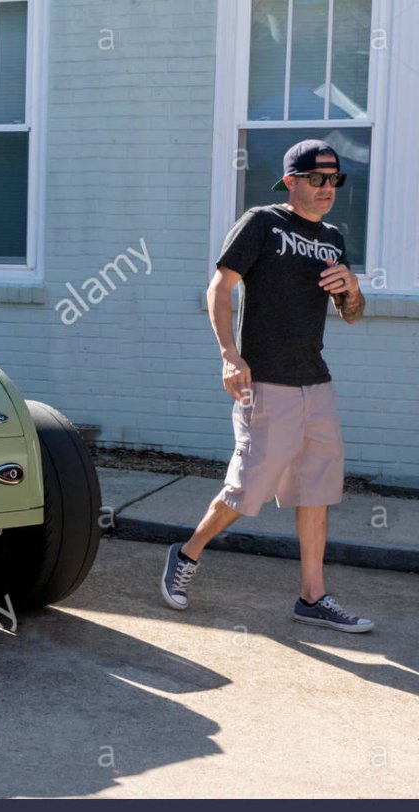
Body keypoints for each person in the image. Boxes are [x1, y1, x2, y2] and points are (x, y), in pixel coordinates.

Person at [160, 139, 373, 633]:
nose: (327, 189)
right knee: (245, 490)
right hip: (266, 383)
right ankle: (186, 553)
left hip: (315, 384)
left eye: (334, 180)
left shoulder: (334, 239)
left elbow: (353, 317)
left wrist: (355, 289)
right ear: (291, 180)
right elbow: (219, 287)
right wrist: (229, 356)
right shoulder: (262, 222)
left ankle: (312, 597)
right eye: (317, 179)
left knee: (316, 492)